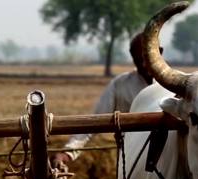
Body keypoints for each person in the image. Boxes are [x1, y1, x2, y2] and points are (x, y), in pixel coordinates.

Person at [51, 32, 162, 168]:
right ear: (132, 58)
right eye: (140, 60)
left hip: (168, 161)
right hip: (132, 163)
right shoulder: (120, 85)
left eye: (149, 58)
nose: (145, 65)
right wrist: (68, 153)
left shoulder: (176, 87)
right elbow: (94, 122)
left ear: (160, 52)